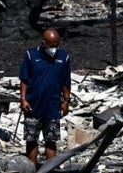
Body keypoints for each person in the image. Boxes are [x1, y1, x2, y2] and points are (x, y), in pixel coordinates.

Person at [19, 28, 72, 168]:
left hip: (53, 106)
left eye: (56, 45)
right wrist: (23, 99)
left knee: (51, 140)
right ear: (44, 42)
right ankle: (32, 168)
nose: (53, 49)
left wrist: (66, 101)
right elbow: (24, 80)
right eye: (51, 45)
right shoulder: (31, 55)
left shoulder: (64, 57)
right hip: (33, 106)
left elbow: (66, 82)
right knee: (31, 140)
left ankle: (50, 168)